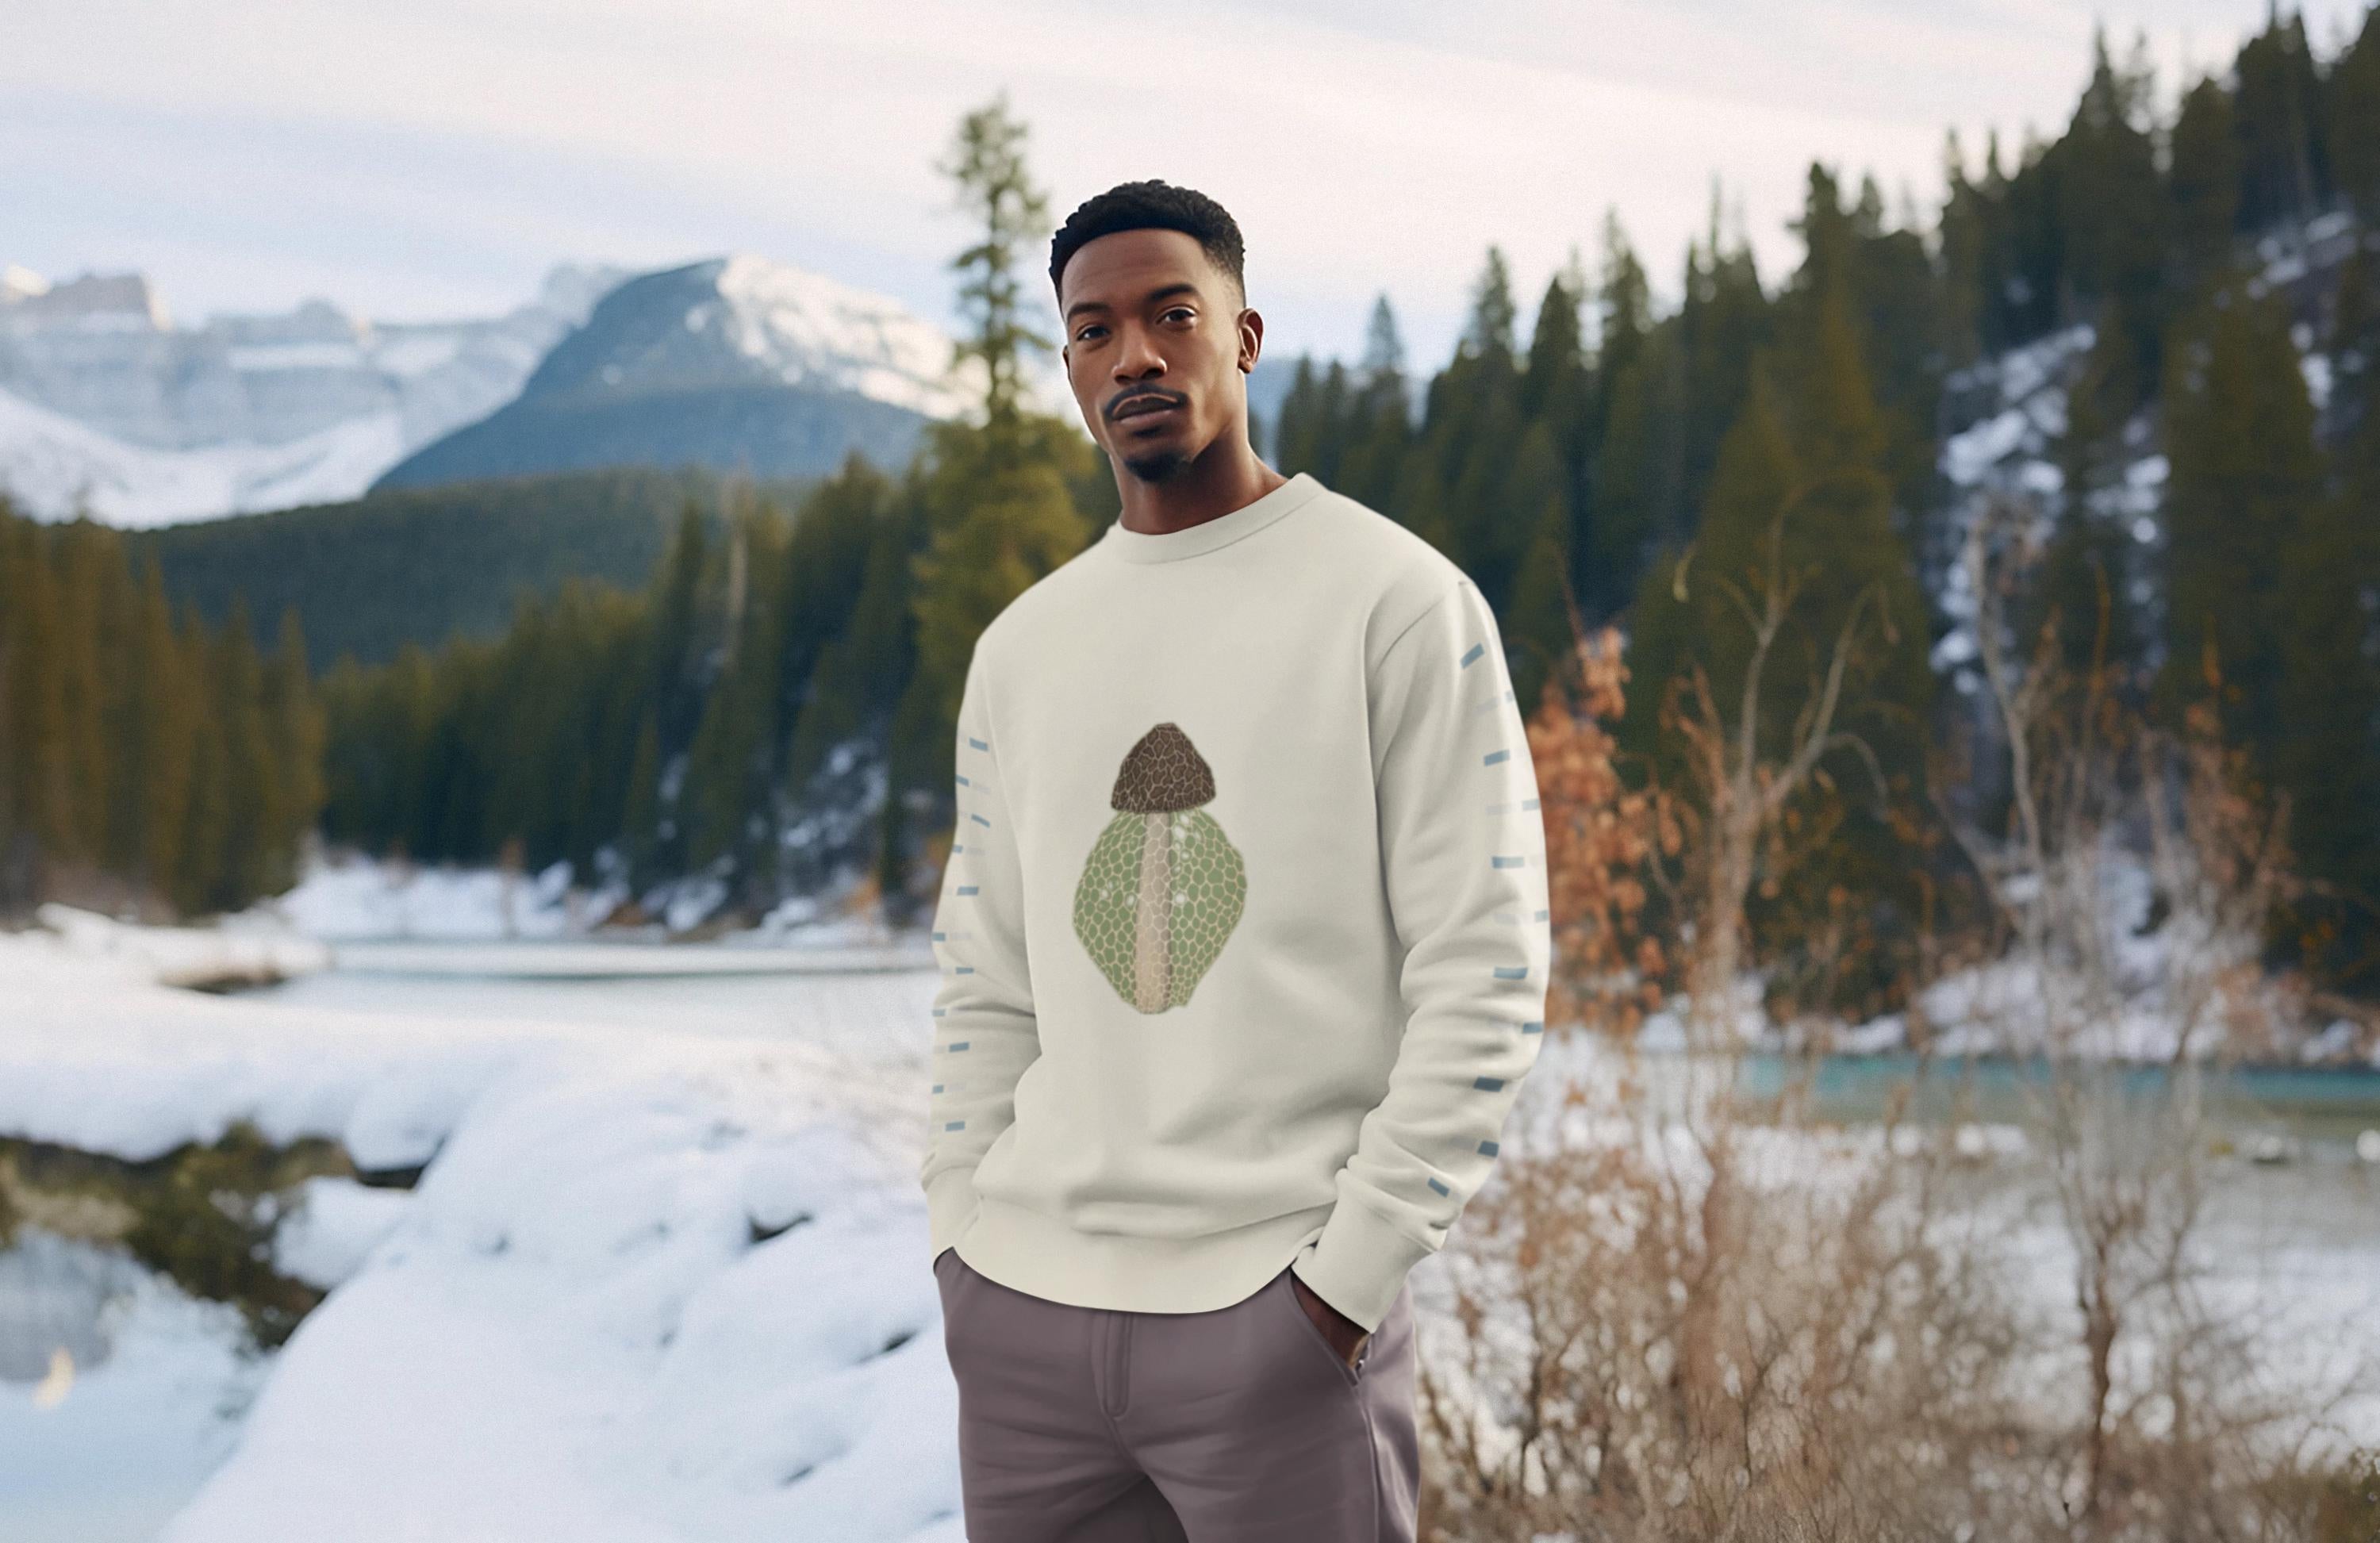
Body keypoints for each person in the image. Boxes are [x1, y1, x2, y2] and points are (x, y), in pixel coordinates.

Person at [920, 178, 1551, 1542]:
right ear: (1072, 367)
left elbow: (1487, 972)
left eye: (1172, 314)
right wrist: (963, 1243)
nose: (1134, 354)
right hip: (1026, 1328)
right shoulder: (1022, 649)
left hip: (1274, 1325)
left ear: (1245, 336)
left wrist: (1344, 1284)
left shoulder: (1396, 604)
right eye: (1094, 330)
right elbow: (985, 979)